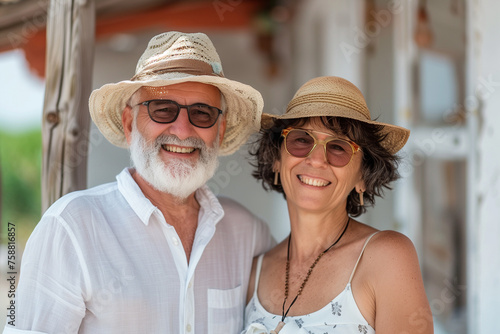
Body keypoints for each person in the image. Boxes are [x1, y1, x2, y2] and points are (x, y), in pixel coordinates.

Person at [3, 31, 274, 334]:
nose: (183, 131)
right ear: (130, 123)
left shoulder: (250, 234)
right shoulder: (71, 227)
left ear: (220, 131)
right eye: (162, 109)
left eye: (202, 113)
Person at [242, 76, 433, 333]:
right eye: (301, 139)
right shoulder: (253, 272)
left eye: (339, 147)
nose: (317, 159)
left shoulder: (386, 257)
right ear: (276, 158)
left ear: (363, 177)